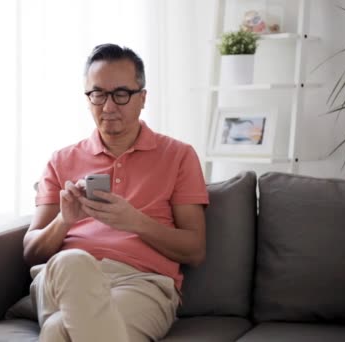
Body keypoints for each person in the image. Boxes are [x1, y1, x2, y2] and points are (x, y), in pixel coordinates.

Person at [22, 43, 209, 342]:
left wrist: (134, 221)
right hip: (62, 277)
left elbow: (195, 250)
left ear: (142, 98)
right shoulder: (61, 160)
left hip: (141, 284)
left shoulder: (179, 156)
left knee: (59, 330)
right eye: (98, 94)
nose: (108, 107)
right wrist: (64, 221)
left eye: (121, 94)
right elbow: (31, 250)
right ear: (88, 98)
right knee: (73, 263)